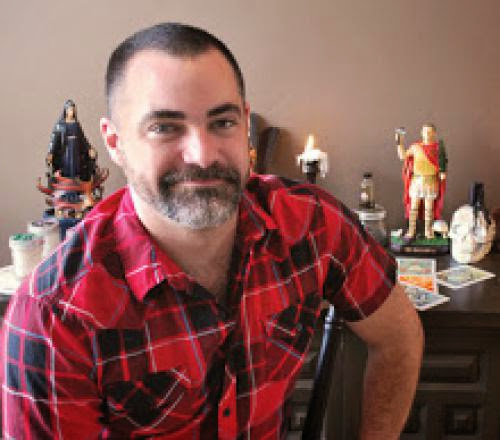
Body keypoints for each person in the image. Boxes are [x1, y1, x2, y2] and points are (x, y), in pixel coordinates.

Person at [2, 23, 423, 439]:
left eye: (222, 122)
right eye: (165, 127)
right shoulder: (54, 313)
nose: (202, 156)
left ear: (245, 124)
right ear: (115, 142)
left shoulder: (311, 224)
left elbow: (398, 336)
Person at [397, 123, 447, 239]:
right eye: (425, 131)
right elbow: (403, 156)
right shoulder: (415, 147)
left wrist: (442, 172)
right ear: (421, 133)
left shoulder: (438, 148)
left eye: (430, 132)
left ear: (434, 133)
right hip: (417, 181)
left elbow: (442, 163)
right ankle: (411, 231)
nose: (427, 134)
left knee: (429, 209)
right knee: (413, 208)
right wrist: (399, 143)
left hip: (430, 181)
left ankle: (428, 232)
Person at [47, 99, 97, 182]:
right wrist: (51, 152)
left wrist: (89, 148)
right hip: (66, 150)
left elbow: (82, 138)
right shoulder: (60, 125)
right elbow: (54, 140)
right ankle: (66, 180)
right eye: (70, 110)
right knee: (66, 164)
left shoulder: (76, 124)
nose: (72, 112)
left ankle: (76, 179)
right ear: (66, 111)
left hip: (75, 149)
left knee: (76, 164)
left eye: (73, 110)